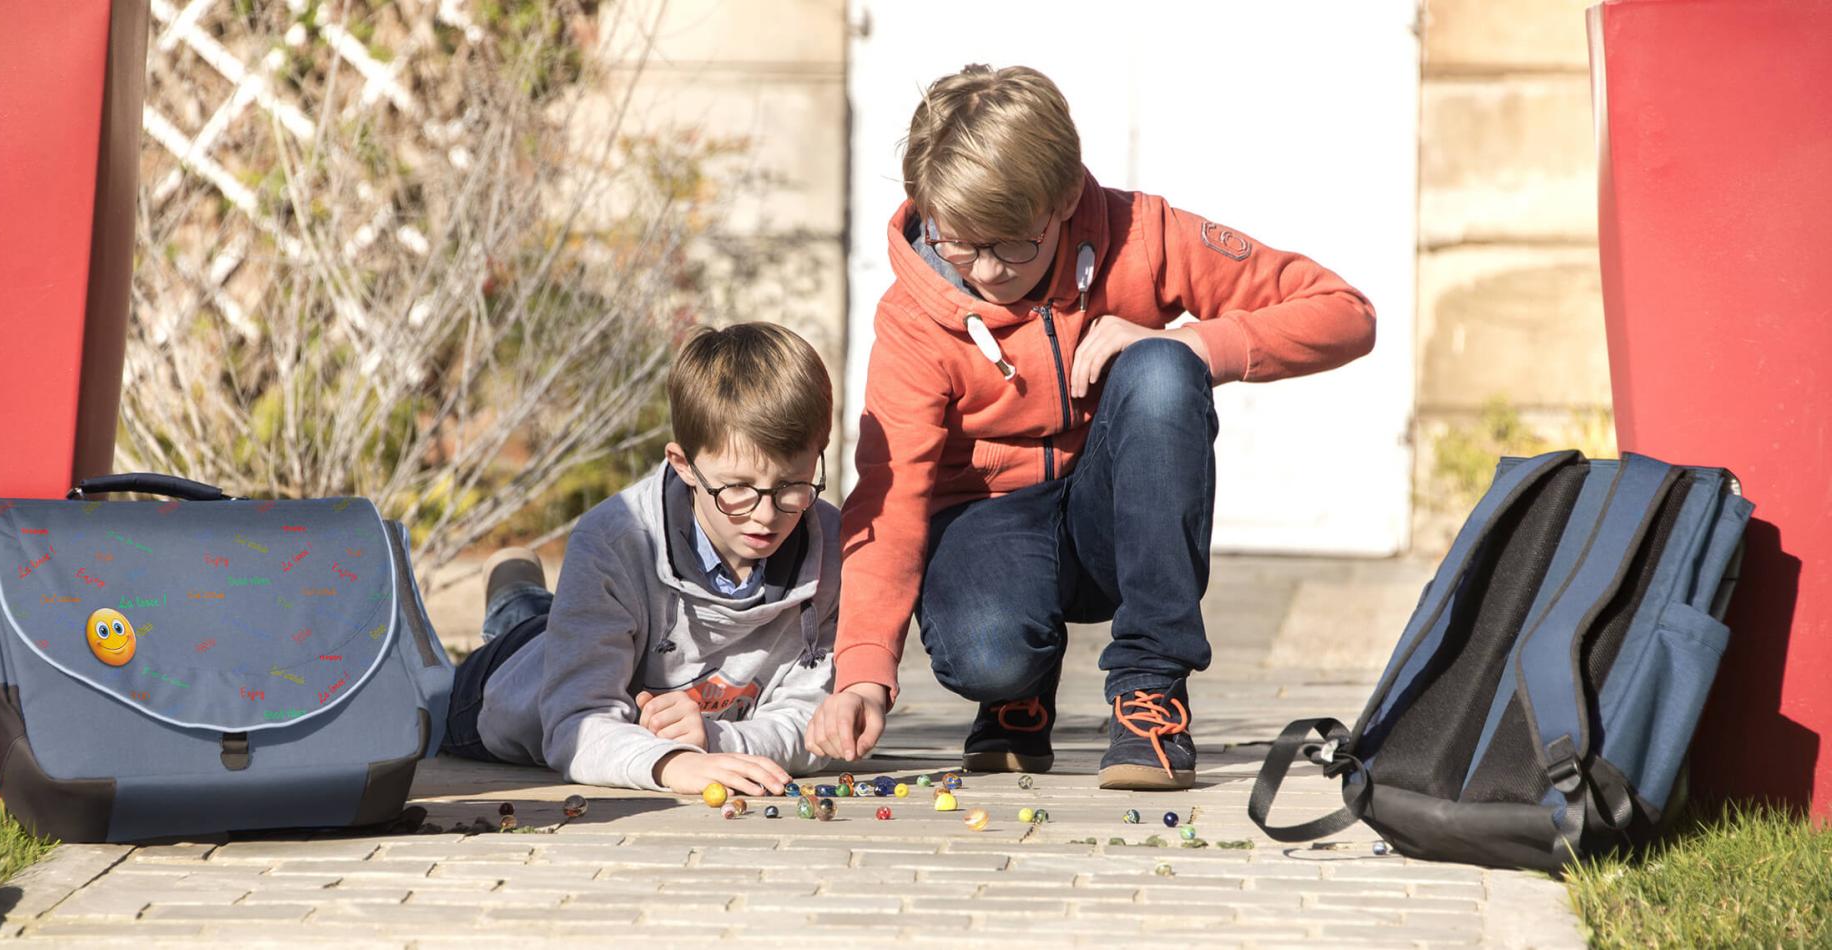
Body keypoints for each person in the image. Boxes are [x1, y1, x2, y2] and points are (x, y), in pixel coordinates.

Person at [808, 64, 1375, 790]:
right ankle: (1018, 693)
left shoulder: (1142, 233)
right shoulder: (913, 320)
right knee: (987, 655)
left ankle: (1150, 692)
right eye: (959, 243)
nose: (986, 272)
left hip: (1113, 516)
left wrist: (1190, 343)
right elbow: (889, 505)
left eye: (1014, 243)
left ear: (1068, 196)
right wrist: (862, 673)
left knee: (1166, 371)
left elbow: (1344, 312)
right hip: (987, 519)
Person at [441, 322, 840, 796]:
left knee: (557, 622)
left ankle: (523, 598)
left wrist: (716, 740)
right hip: (502, 700)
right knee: (523, 637)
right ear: (683, 465)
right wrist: (670, 763)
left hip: (618, 643)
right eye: (737, 489)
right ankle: (514, 595)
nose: (766, 515)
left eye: (792, 486)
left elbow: (818, 723)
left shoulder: (835, 546)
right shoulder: (614, 538)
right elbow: (576, 720)